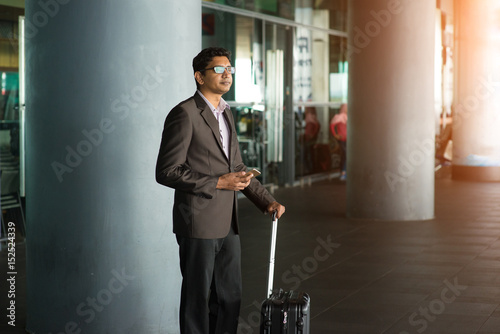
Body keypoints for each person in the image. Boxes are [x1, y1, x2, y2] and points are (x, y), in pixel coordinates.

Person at [155, 47, 285, 334]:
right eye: (219, 69)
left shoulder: (226, 113)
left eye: (230, 69)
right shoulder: (184, 114)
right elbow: (167, 171)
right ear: (199, 77)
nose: (227, 74)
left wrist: (266, 201)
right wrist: (217, 182)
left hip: (228, 223)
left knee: (229, 297)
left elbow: (236, 165)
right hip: (198, 222)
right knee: (197, 299)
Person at [300, 107, 320, 174]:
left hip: (308, 141)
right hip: (312, 141)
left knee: (305, 156)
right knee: (311, 156)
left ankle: (309, 170)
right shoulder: (314, 119)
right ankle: (312, 170)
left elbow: (309, 133)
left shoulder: (309, 120)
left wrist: (305, 137)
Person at [330, 103, 348, 181]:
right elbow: (332, 126)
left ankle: (344, 172)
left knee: (346, 155)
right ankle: (343, 172)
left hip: (347, 139)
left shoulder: (347, 117)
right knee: (345, 154)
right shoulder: (339, 117)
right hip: (342, 139)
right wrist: (335, 135)